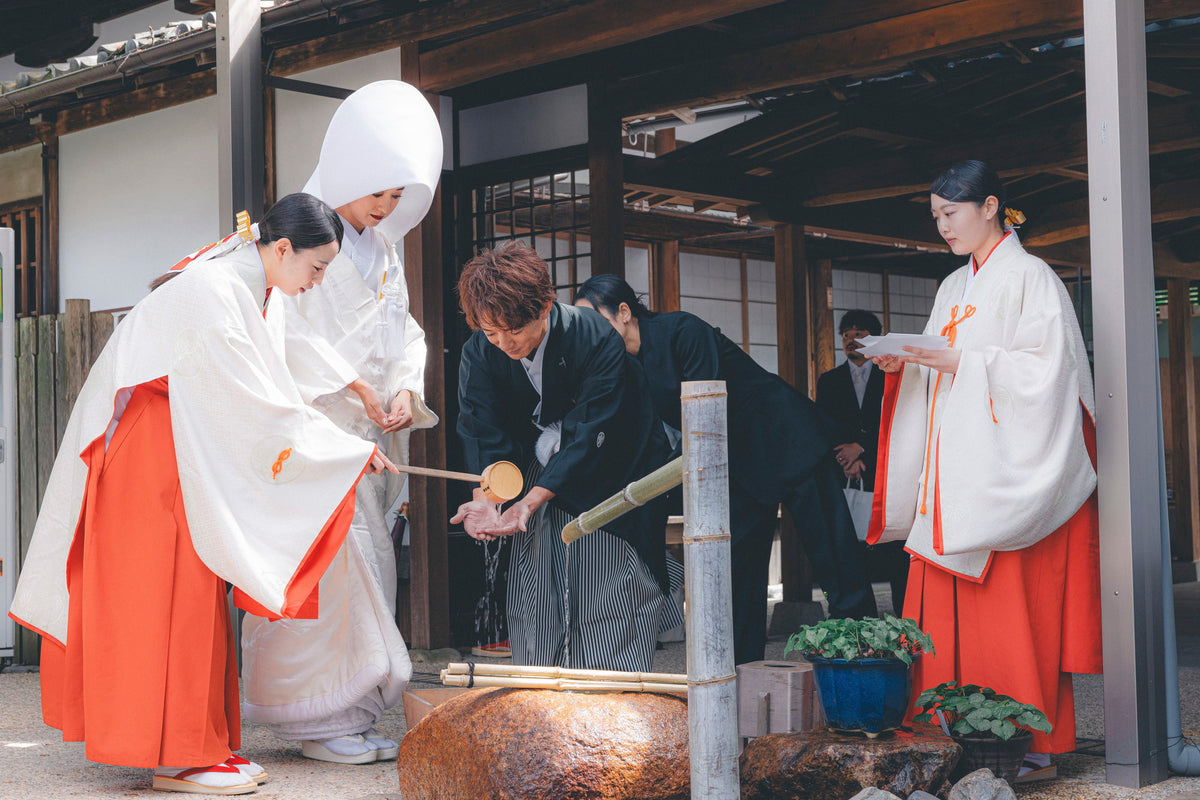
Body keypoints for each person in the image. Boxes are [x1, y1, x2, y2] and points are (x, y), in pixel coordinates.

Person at [7, 193, 399, 796]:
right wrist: (341, 449)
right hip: (155, 454)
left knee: (198, 592)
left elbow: (269, 375)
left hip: (184, 444)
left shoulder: (248, 281)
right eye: (316, 269)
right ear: (284, 248)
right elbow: (254, 399)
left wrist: (348, 415)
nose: (317, 283)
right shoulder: (213, 291)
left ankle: (203, 744)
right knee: (173, 598)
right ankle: (178, 756)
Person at [869, 160, 1101, 778]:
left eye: (951, 213)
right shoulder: (952, 287)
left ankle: (1030, 747)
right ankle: (941, 741)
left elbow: (1050, 376)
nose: (942, 225)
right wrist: (910, 365)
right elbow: (944, 359)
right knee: (941, 619)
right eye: (936, 216)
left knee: (1011, 617)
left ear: (991, 206)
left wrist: (961, 361)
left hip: (1003, 477)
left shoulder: (1033, 277)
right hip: (952, 478)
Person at [239, 80, 442, 765]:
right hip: (319, 431)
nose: (386, 207)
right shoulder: (303, 236)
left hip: (374, 432)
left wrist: (406, 390)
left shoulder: (383, 250)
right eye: (377, 190)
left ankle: (351, 712)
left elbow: (404, 331)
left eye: (396, 195)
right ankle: (317, 717)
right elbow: (285, 331)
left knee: (374, 567)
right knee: (331, 570)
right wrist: (352, 387)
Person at [574, 275, 878, 665]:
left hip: (784, 435)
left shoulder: (681, 328)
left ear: (623, 312)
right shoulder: (623, 366)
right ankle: (738, 668)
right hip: (737, 460)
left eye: (593, 319)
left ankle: (864, 652)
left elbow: (706, 401)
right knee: (738, 566)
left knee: (832, 549)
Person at [451, 243, 680, 673]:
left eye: (513, 329)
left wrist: (531, 499)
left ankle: (612, 690)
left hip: (616, 461)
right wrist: (488, 498)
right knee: (536, 577)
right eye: (490, 332)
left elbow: (592, 427)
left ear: (544, 306)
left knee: (608, 579)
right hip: (540, 462)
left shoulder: (593, 334)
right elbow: (481, 427)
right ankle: (541, 686)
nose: (503, 343)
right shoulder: (480, 351)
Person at [815, 309, 909, 613]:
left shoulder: (890, 374)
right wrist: (846, 456)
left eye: (859, 334)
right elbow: (824, 424)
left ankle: (904, 614)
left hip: (884, 469)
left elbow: (898, 420)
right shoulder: (829, 380)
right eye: (846, 335)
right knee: (848, 546)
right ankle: (856, 616)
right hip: (845, 472)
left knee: (894, 547)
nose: (851, 341)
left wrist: (862, 449)